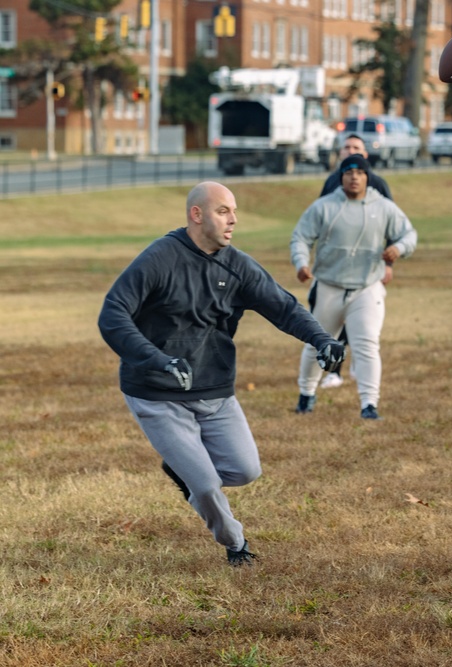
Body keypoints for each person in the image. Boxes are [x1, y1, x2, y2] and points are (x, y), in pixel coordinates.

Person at [98, 182, 343, 566]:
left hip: (215, 390)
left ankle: (181, 469)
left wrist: (320, 338)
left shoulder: (237, 265)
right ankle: (236, 545)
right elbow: (113, 315)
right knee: (208, 486)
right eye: (223, 211)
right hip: (156, 393)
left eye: (233, 211)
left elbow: (283, 307)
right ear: (197, 215)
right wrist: (157, 359)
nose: (233, 220)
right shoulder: (160, 259)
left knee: (246, 470)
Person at [290, 154, 417, 420]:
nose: (354, 177)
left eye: (360, 172)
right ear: (341, 176)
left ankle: (369, 405)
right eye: (349, 172)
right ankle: (306, 396)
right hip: (329, 286)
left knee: (367, 345)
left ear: (367, 176)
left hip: (366, 288)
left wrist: (398, 248)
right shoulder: (324, 207)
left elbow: (409, 234)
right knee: (317, 345)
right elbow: (300, 236)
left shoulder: (382, 207)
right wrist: (301, 263)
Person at [317, 133, 394, 390]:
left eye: (356, 147)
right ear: (340, 153)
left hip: (367, 269)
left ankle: (353, 366)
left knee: (361, 321)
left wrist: (388, 265)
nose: (351, 150)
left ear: (365, 154)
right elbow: (320, 221)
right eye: (347, 147)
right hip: (334, 270)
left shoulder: (379, 185)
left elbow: (390, 227)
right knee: (330, 319)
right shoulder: (331, 183)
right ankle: (333, 370)